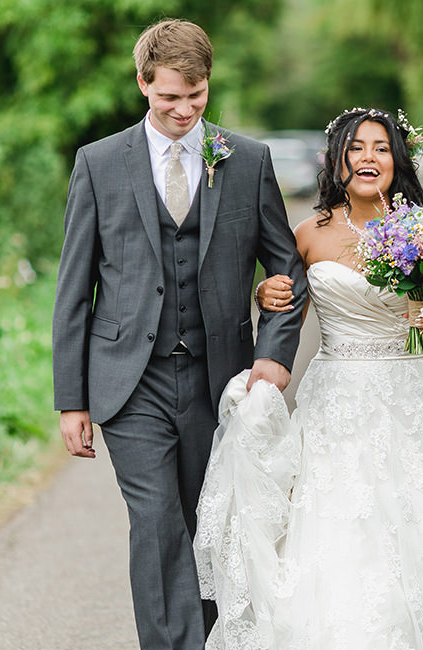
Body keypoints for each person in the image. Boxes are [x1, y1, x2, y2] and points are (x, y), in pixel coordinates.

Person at [194, 108, 423, 649]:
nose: (368, 158)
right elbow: (287, 314)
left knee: (421, 537)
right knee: (342, 535)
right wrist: (264, 295)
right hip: (339, 403)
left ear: (397, 159)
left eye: (381, 148)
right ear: (338, 159)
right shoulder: (309, 234)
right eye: (357, 148)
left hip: (416, 398)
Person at [51, 19, 307, 650]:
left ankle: (216, 639)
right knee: (157, 522)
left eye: (196, 97)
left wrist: (273, 358)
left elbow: (286, 267)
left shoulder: (246, 160)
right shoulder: (100, 163)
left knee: (209, 523)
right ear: (143, 84)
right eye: (170, 97)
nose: (184, 110)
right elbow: (73, 288)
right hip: (128, 383)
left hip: (218, 379)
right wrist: (71, 399)